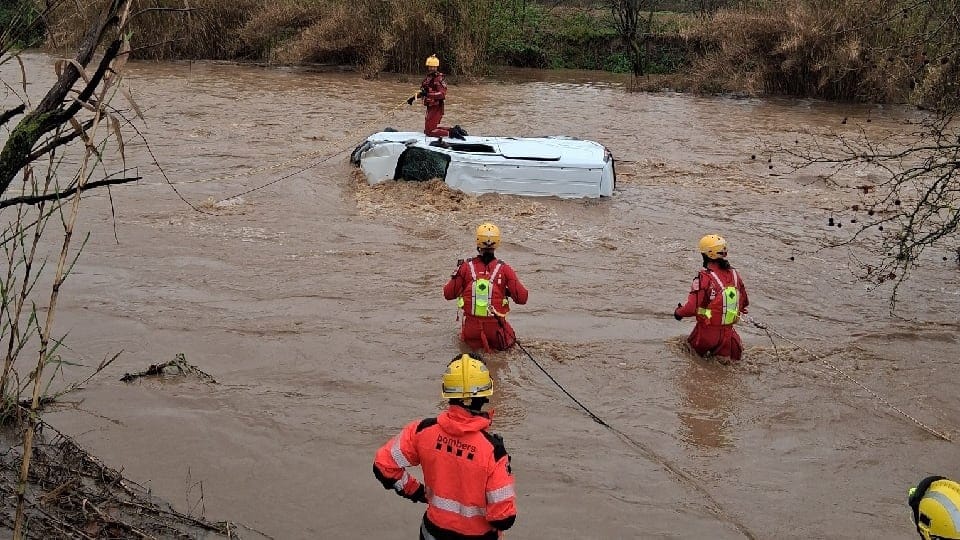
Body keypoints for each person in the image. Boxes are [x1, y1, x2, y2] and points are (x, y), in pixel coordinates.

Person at [373, 353, 517, 540]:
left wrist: (416, 490)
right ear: (485, 394)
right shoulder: (493, 451)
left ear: (447, 393)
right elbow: (503, 519)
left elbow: (383, 466)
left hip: (432, 533)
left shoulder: (422, 430)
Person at [444, 222, 528, 352]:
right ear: (497, 243)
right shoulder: (505, 269)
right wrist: (506, 292)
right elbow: (522, 298)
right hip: (496, 332)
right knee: (510, 346)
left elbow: (448, 294)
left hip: (471, 332)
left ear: (478, 242)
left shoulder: (465, 267)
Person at [673, 234, 749, 363]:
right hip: (729, 337)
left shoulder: (704, 277)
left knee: (684, 352)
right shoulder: (735, 275)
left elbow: (692, 308)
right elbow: (744, 303)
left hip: (706, 335)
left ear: (705, 255)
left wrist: (678, 312)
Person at [407, 54, 467, 140]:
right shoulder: (428, 79)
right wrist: (413, 98)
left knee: (430, 132)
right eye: (430, 66)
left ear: (436, 67)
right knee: (428, 130)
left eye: (433, 67)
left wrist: (427, 94)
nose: (431, 68)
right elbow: (423, 92)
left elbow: (442, 94)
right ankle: (454, 130)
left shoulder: (439, 79)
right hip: (430, 106)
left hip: (437, 106)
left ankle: (451, 133)